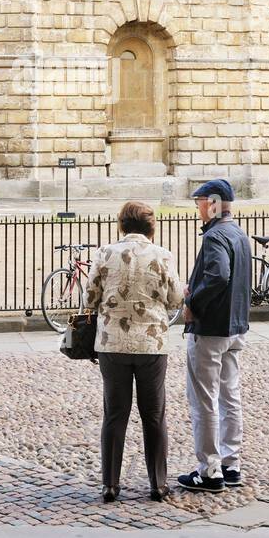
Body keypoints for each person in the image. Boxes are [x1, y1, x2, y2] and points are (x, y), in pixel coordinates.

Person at [85, 201, 185, 503]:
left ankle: (110, 485)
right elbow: (175, 299)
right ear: (151, 227)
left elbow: (91, 298)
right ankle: (157, 483)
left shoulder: (104, 253)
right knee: (153, 414)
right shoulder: (163, 256)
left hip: (112, 343)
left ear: (122, 226)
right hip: (150, 344)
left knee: (114, 414)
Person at [177, 179, 252, 494]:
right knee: (229, 396)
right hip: (235, 328)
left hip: (210, 330)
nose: (197, 210)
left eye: (199, 203)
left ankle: (209, 471)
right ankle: (230, 464)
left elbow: (219, 275)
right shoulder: (240, 235)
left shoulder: (216, 237)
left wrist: (193, 303)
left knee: (204, 400)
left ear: (212, 203)